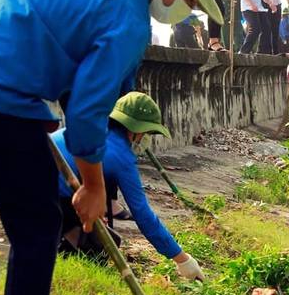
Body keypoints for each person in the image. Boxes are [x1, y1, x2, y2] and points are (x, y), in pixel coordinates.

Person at [0, 0, 222, 295]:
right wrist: (93, 187)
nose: (184, 9)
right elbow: (85, 113)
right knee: (40, 227)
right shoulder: (130, 15)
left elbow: (51, 26)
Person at [53, 92, 205, 280]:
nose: (146, 138)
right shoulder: (121, 157)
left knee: (107, 241)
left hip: (28, 176)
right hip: (48, 193)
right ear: (135, 129)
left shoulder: (93, 126)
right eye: (147, 133)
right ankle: (68, 278)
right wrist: (182, 259)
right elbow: (143, 216)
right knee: (97, 250)